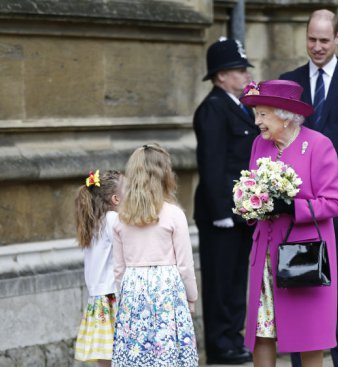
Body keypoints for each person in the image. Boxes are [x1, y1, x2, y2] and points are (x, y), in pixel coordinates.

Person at [279, 9, 338, 367]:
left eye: (324, 40)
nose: (317, 47)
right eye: (311, 39)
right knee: (300, 284)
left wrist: (323, 177)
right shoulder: (289, 82)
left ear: (337, 39)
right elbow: (280, 137)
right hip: (297, 204)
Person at [238, 79, 338, 367]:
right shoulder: (259, 144)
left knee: (309, 335)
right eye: (256, 114)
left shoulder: (319, 146)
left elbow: (333, 202)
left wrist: (291, 206)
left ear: (284, 115)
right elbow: (252, 188)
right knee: (262, 331)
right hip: (265, 254)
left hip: (302, 254)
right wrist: (248, 204)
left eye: (263, 114)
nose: (257, 121)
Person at [193, 37, 258, 365]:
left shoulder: (240, 106)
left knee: (236, 280)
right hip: (221, 214)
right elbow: (212, 163)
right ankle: (220, 344)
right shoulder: (213, 109)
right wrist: (220, 210)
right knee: (219, 281)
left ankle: (233, 337)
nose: (246, 75)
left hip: (241, 210)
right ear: (220, 76)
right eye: (238, 70)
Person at [112, 143, 199, 367]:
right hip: (167, 290)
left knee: (137, 350)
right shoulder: (174, 214)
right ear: (165, 175)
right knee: (167, 350)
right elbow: (185, 265)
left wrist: (123, 299)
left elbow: (119, 268)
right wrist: (192, 297)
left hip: (133, 288)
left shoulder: (121, 218)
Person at [73, 169, 123, 367]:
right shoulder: (112, 220)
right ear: (116, 198)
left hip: (97, 300)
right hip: (112, 296)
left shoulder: (93, 223)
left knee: (105, 357)